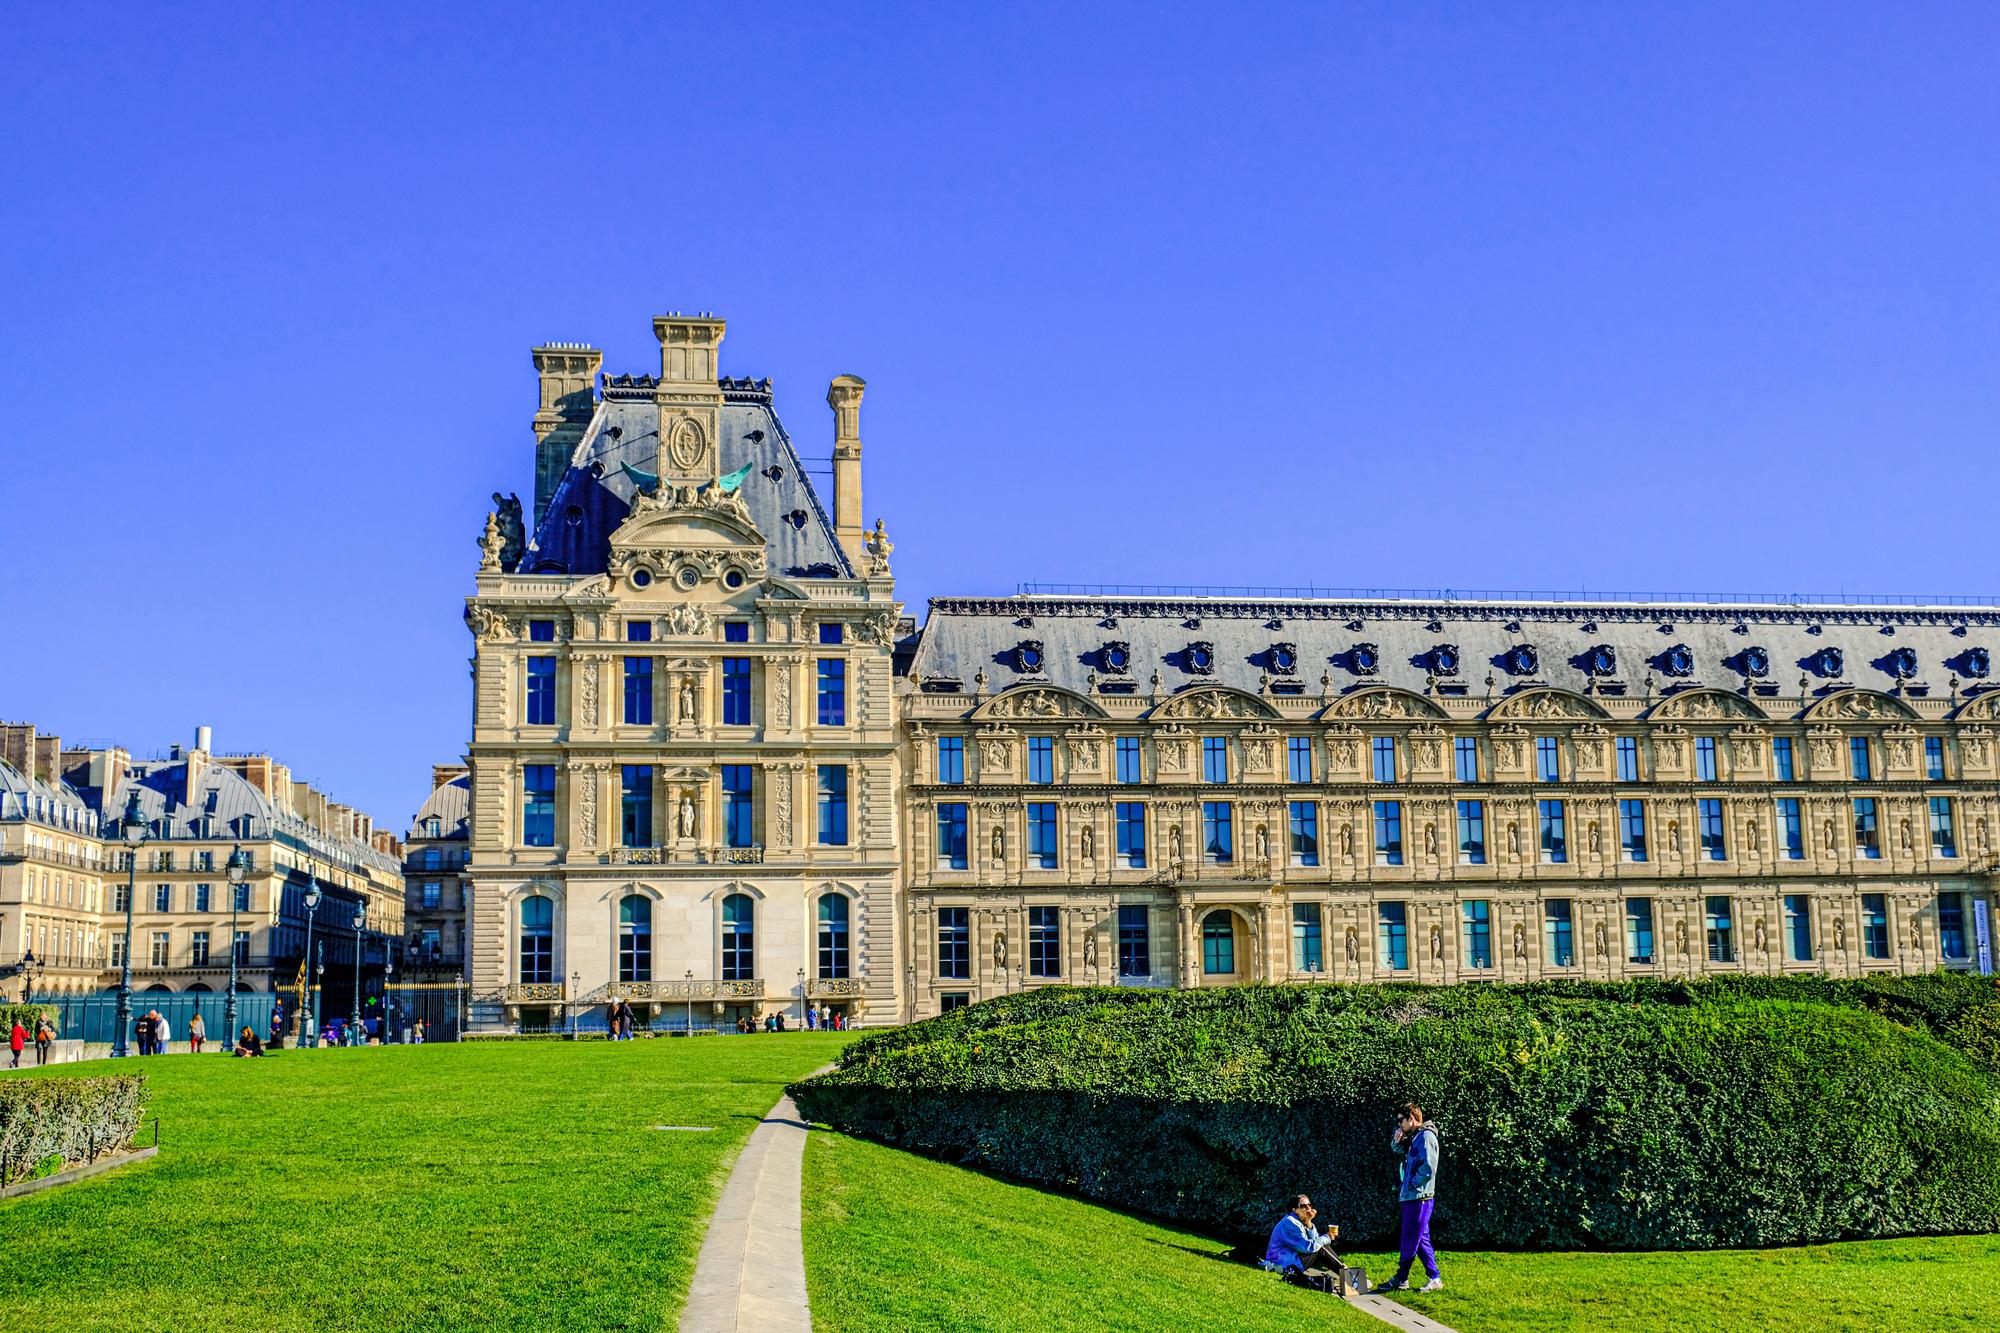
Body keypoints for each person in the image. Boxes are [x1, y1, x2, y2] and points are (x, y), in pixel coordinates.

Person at [1379, 1103, 1443, 1293]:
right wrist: (1398, 1136)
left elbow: (1428, 1169)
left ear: (1412, 1118)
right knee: (1421, 1239)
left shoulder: (1426, 1137)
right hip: (1412, 1196)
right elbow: (1397, 1149)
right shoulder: (1415, 1137)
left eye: (1401, 1120)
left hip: (1419, 1197)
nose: (1399, 1124)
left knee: (1409, 1238)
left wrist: (1413, 1184)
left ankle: (1402, 1278)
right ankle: (1435, 1278)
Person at [1261, 1195, 1342, 1281]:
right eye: (1303, 1206)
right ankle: (1348, 1274)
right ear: (1294, 1210)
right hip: (1282, 1264)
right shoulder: (1291, 1222)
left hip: (1288, 1258)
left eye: (1309, 1205)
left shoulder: (1298, 1220)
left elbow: (1315, 1240)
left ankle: (1347, 1273)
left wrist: (1309, 1222)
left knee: (1320, 1246)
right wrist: (1327, 1237)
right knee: (1321, 1249)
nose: (1308, 1208)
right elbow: (1308, 1247)